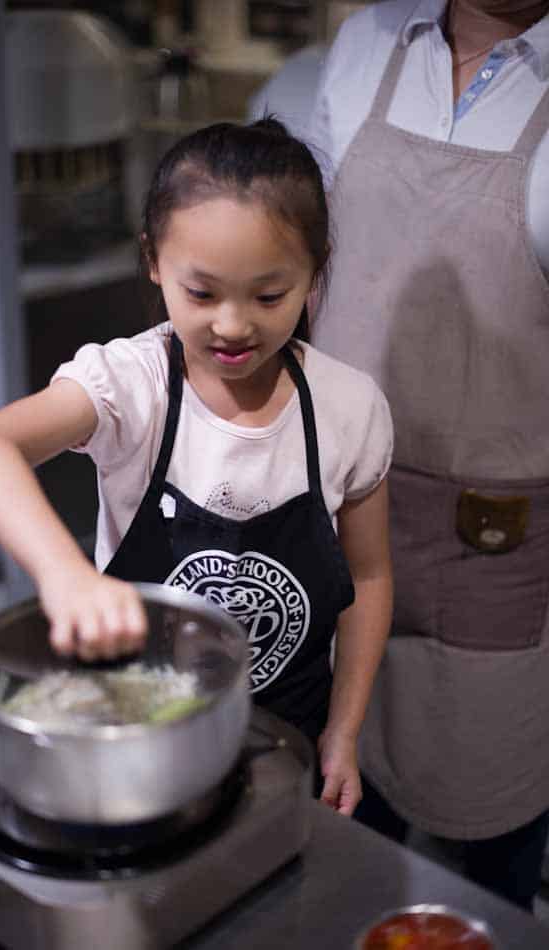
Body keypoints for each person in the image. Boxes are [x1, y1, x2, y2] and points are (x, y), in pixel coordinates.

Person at [0, 119, 393, 815]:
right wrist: (65, 576)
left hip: (286, 744)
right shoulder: (134, 386)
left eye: (269, 296)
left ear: (315, 270)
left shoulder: (349, 407)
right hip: (137, 739)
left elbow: (369, 575)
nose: (233, 325)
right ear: (154, 260)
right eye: (203, 293)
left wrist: (345, 730)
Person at [307, 0, 549, 911]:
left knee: (488, 853)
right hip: (335, 509)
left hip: (489, 546)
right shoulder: (366, 42)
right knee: (335, 818)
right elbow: (300, 261)